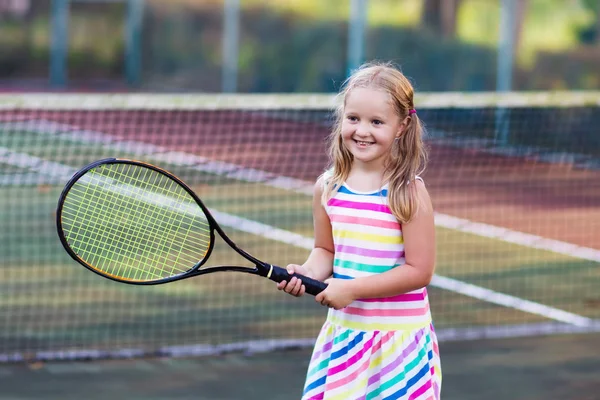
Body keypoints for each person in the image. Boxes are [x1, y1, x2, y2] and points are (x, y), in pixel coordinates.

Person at [277, 61, 442, 399]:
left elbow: (420, 271)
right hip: (345, 337)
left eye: (376, 122)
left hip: (398, 345)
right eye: (353, 118)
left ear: (401, 126)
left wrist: (352, 289)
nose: (362, 130)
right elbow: (326, 251)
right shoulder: (328, 187)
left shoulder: (408, 192)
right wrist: (306, 272)